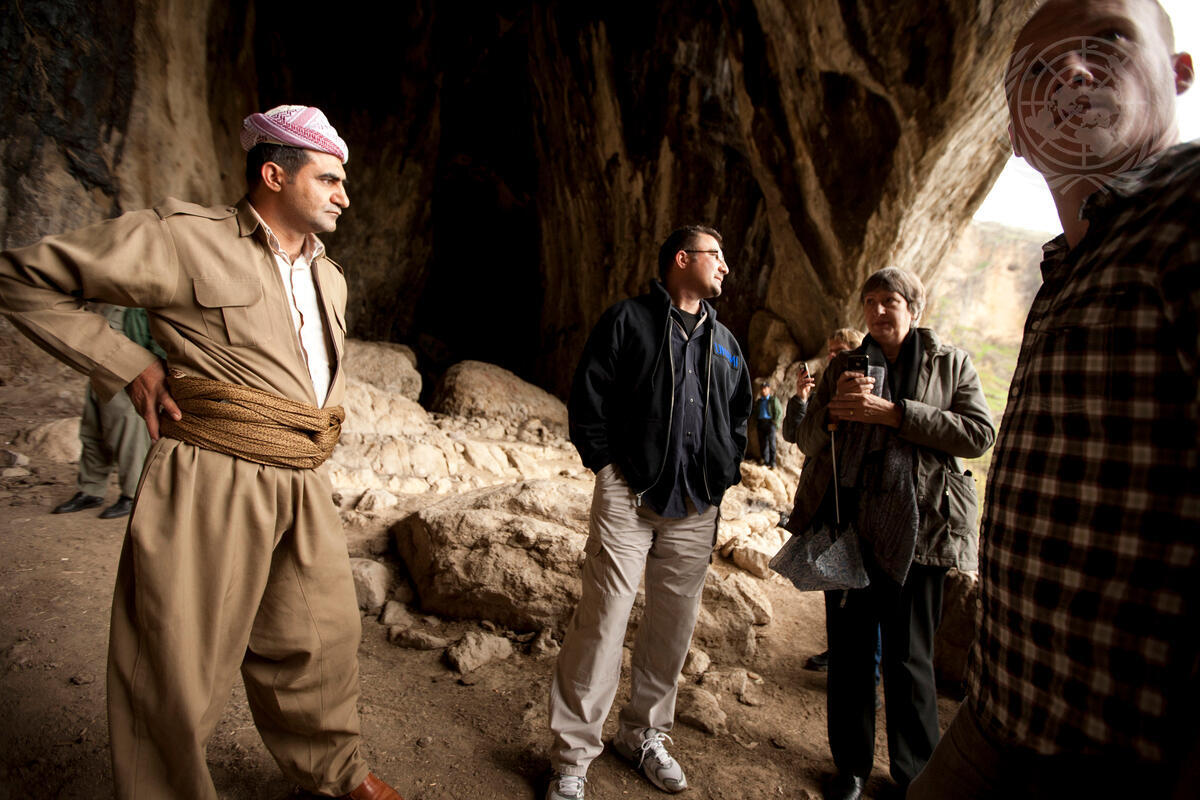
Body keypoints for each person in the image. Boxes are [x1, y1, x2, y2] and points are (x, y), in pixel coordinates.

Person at [0, 105, 406, 800]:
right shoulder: (184, 239)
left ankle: (334, 772)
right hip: (212, 471)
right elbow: (21, 278)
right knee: (177, 656)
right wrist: (127, 363)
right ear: (274, 174)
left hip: (303, 476)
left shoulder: (329, 276)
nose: (344, 196)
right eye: (329, 179)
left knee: (321, 638)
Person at [910, 2, 1198, 797]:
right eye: (1037, 68)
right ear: (1016, 134)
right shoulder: (1074, 266)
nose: (1070, 67)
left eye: (1108, 37)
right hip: (1001, 717)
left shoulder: (1188, 213)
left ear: (1179, 74)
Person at [548, 225, 752, 800]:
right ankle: (571, 759)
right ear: (682, 259)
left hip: (697, 505)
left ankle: (643, 734)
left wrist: (723, 474)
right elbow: (589, 394)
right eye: (716, 256)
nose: (725, 267)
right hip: (629, 498)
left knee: (672, 627)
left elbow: (738, 414)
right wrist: (606, 466)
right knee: (603, 621)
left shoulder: (726, 342)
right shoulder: (627, 320)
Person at [787, 268, 994, 800]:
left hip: (921, 532)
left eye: (890, 301)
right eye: (870, 301)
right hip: (849, 529)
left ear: (914, 309)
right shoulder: (844, 367)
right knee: (850, 655)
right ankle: (851, 768)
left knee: (909, 659)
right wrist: (831, 413)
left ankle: (914, 772)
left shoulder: (952, 364)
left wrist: (897, 414)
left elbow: (978, 433)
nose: (878, 311)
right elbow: (806, 439)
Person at [781, 328, 865, 674]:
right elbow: (794, 435)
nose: (832, 357)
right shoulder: (823, 393)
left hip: (853, 500)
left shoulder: (867, 391)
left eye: (840, 351)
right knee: (831, 581)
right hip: (824, 498)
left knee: (857, 590)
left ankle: (862, 667)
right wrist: (801, 398)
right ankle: (838, 653)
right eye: (830, 351)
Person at [52, 304, 161, 520]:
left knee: (129, 440)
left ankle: (132, 495)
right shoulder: (108, 301)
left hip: (129, 380)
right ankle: (90, 490)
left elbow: (157, 343)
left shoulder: (142, 305)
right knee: (92, 435)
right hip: (99, 376)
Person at [754, 382, 783, 468]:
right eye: (762, 388)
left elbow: (779, 412)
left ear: (769, 389)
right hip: (761, 423)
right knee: (763, 443)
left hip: (770, 423)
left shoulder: (773, 400)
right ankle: (765, 461)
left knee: (772, 444)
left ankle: (772, 462)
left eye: (765, 388)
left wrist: (775, 423)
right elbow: (755, 412)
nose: (763, 390)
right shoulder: (759, 401)